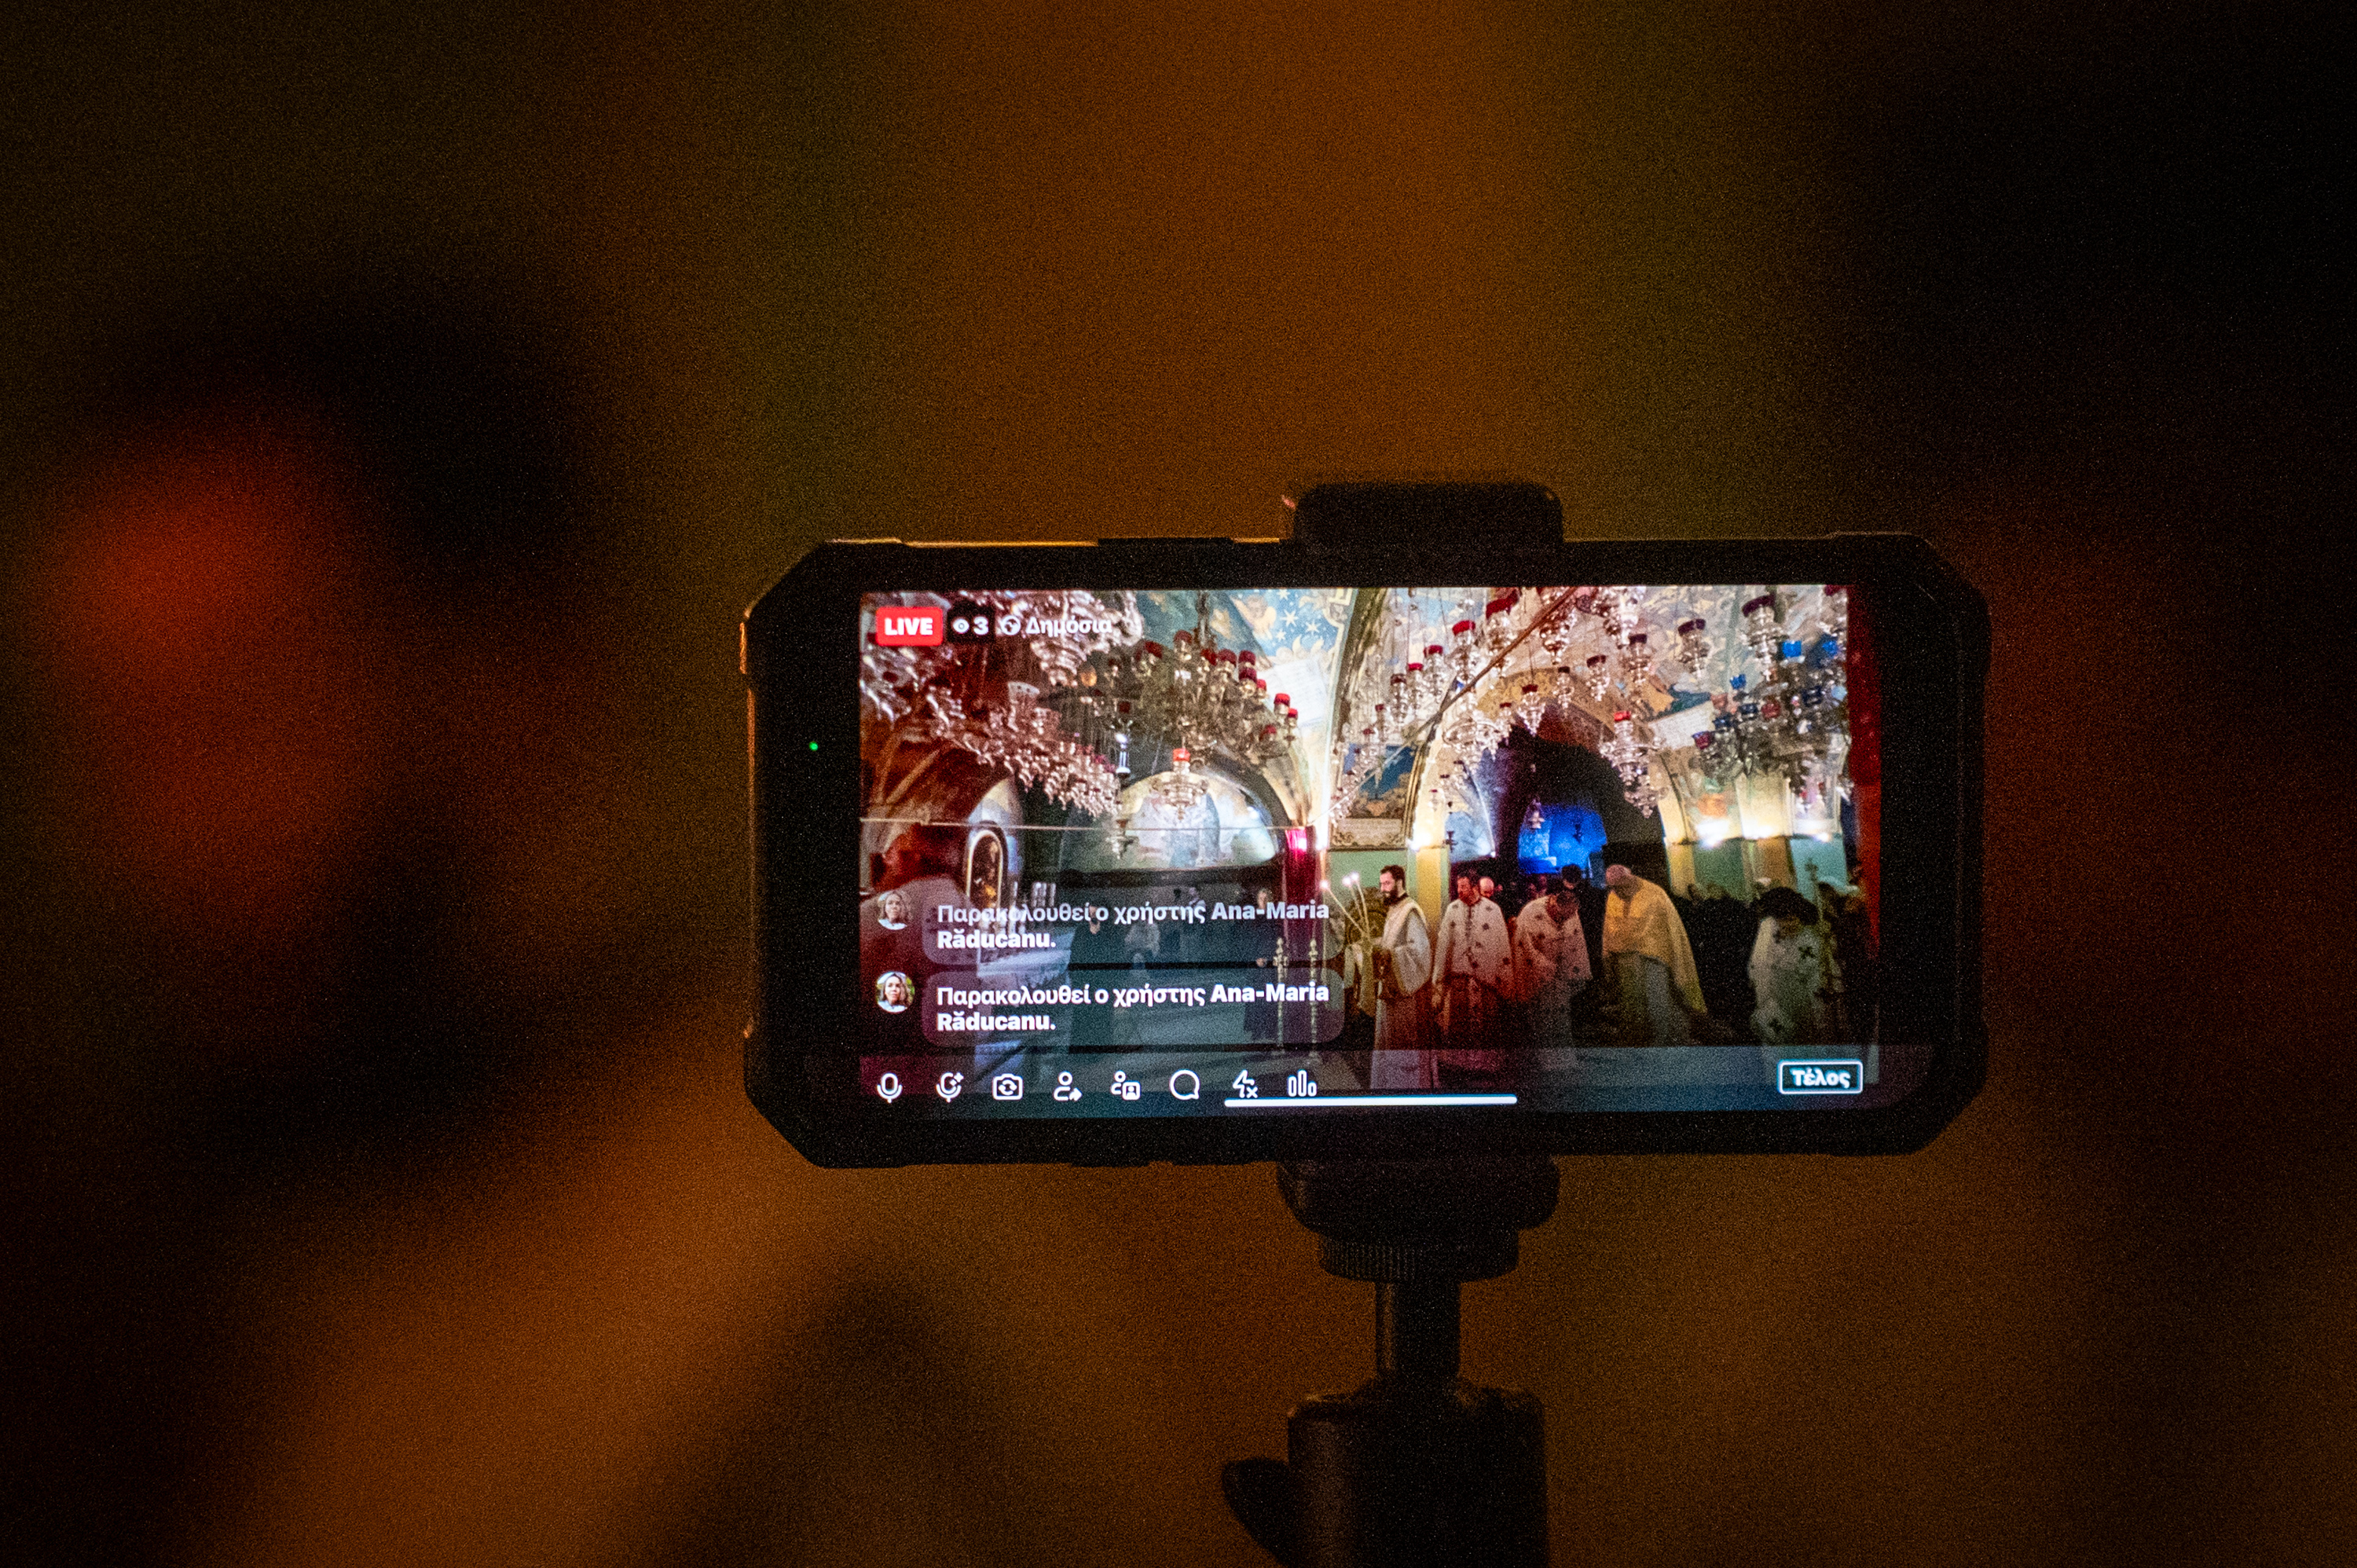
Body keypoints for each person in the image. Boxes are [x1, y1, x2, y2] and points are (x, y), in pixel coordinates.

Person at [1600, 863, 1705, 1048]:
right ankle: (1640, 1040)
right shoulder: (1613, 897)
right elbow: (1611, 928)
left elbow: (1666, 928)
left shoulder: (1654, 894)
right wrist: (1611, 954)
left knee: (1658, 1001)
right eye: (1615, 888)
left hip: (1654, 958)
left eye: (1621, 887)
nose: (1619, 892)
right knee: (1632, 1003)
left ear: (1629, 879)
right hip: (1626, 960)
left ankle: (1665, 1041)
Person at [1433, 872, 1515, 1078]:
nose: (1460, 891)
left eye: (1463, 887)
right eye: (1458, 887)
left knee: (1485, 1027)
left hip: (1485, 981)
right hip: (1459, 981)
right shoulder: (1452, 910)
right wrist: (1438, 982)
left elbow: (1502, 947)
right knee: (1457, 1027)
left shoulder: (1492, 910)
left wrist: (1506, 980)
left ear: (1474, 887)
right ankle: (1458, 1069)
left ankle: (1484, 1068)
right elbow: (1444, 947)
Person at [1367, 864, 1434, 1090]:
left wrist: (1390, 955)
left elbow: (1420, 954)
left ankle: (1405, 1088)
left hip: (1405, 996)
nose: (1383, 889)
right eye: (1381, 884)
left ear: (1399, 883)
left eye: (1387, 884)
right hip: (1391, 992)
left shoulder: (1410, 911)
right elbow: (1392, 945)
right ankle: (1389, 1087)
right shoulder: (1395, 909)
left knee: (1403, 1044)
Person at [1514, 876, 1590, 1060]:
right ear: (1554, 905)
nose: (1564, 921)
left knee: (1563, 1016)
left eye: (1568, 917)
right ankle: (1543, 1059)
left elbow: (1577, 941)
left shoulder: (1571, 912)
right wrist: (1544, 966)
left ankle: (1564, 1058)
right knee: (1541, 1017)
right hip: (1538, 976)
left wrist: (1575, 970)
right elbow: (1523, 946)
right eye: (1561, 917)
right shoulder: (1531, 912)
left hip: (1562, 976)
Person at [1750, 885, 1838, 1046]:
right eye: (1784, 920)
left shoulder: (1809, 938)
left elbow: (1816, 972)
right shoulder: (1768, 929)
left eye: (1792, 919)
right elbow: (1759, 966)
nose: (1788, 925)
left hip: (1805, 1001)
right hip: (1776, 998)